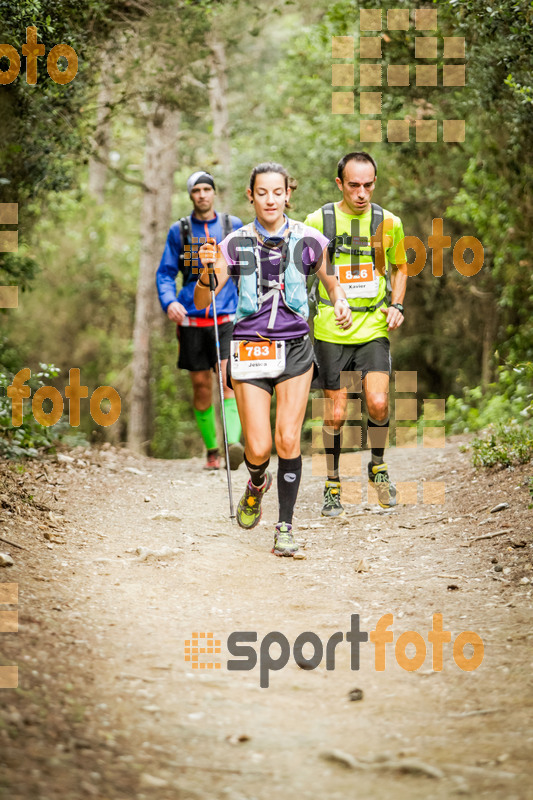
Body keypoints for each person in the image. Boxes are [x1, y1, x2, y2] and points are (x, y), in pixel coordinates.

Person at [194, 162, 352, 556]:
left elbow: (332, 282)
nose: (270, 199)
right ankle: (256, 483)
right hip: (248, 348)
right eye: (261, 192)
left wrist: (342, 303)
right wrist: (202, 274)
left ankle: (285, 526)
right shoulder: (233, 243)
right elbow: (202, 301)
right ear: (251, 196)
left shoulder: (310, 240)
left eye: (277, 192)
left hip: (296, 346)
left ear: (288, 195)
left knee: (287, 438)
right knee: (259, 448)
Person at [304, 151, 407, 515]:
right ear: (339, 184)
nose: (362, 193)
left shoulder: (387, 222)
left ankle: (377, 464)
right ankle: (332, 483)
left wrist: (396, 305)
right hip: (331, 329)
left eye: (368, 185)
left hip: (373, 327)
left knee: (378, 402)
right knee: (335, 412)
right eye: (353, 186)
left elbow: (400, 266)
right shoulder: (319, 220)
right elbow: (305, 267)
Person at [156, 171, 244, 470]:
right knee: (202, 386)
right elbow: (166, 273)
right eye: (197, 190)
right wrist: (169, 302)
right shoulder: (179, 231)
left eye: (207, 189)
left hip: (228, 316)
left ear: (214, 192)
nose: (203, 194)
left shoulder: (233, 227)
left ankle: (234, 446)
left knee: (229, 381)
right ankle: (212, 450)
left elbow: (247, 270)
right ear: (190, 195)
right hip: (192, 321)